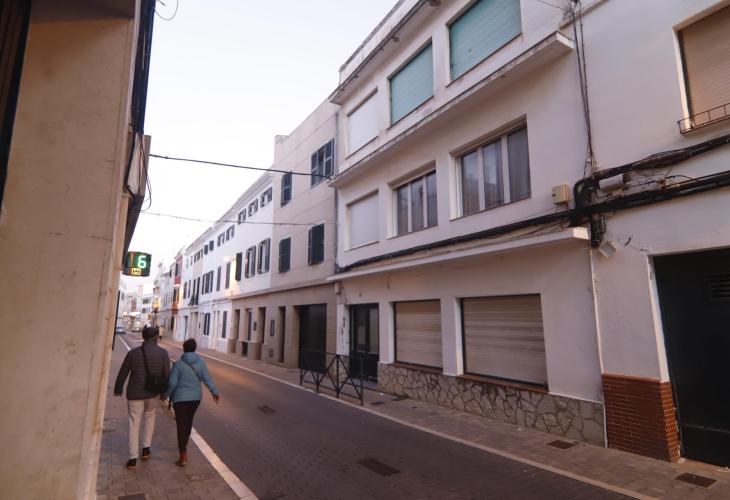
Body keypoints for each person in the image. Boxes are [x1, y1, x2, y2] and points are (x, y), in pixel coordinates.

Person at [114, 326, 170, 469]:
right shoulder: (163, 354)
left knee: (134, 423)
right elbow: (166, 375)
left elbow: (123, 372)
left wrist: (118, 389)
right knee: (150, 418)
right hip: (153, 393)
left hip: (135, 393)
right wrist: (164, 394)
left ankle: (132, 458)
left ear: (144, 337)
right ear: (156, 338)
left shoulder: (133, 354)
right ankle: (146, 449)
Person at [165, 338, 219, 466]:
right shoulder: (201, 362)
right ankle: (184, 445)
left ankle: (183, 453)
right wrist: (214, 392)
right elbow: (207, 379)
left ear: (184, 349)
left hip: (180, 399)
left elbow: (172, 383)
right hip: (195, 398)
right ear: (195, 349)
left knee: (181, 424)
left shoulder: (178, 364)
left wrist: (165, 395)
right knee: (188, 421)